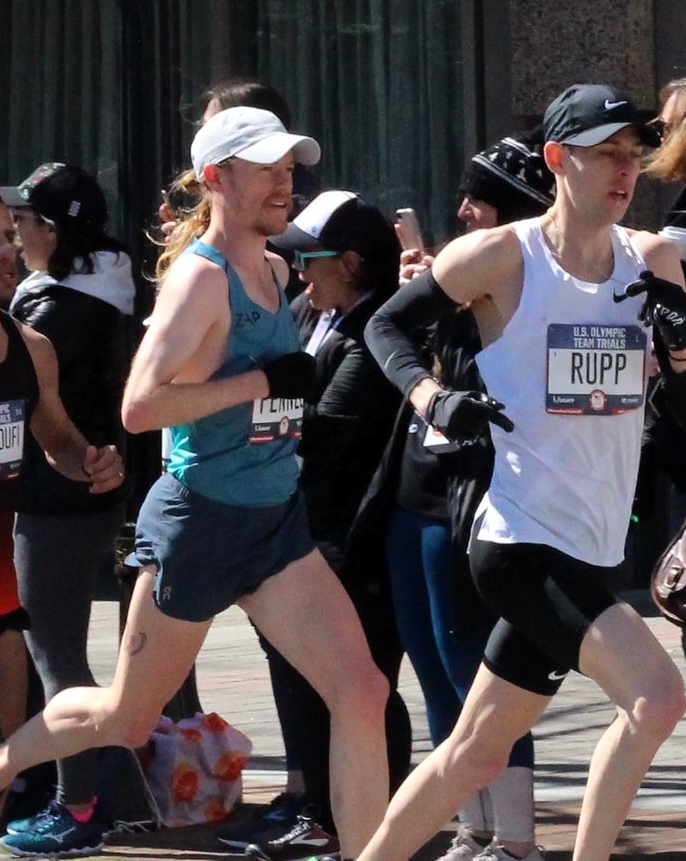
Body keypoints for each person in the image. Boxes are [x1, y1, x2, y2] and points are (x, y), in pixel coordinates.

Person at [0, 107, 390, 861]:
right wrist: (258, 381)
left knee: (363, 690)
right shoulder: (201, 283)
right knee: (126, 715)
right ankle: (9, 759)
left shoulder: (276, 270)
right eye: (268, 168)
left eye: (289, 168)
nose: (285, 181)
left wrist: (283, 388)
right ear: (218, 179)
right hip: (199, 523)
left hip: (275, 524)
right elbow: (141, 407)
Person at [354, 83, 686, 861]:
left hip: (597, 545)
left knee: (474, 751)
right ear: (556, 160)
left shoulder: (657, 258)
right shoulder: (502, 258)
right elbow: (385, 324)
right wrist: (436, 397)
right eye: (605, 153)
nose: (624, 169)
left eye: (634, 154)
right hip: (518, 539)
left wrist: (679, 352)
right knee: (658, 695)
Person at [360, 135, 554, 861]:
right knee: (433, 661)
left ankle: (516, 838)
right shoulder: (449, 279)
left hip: (474, 502)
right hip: (412, 497)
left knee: (485, 673)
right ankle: (471, 826)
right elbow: (392, 333)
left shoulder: (525, 281)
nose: (465, 208)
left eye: (481, 198)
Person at [241, 191, 411, 861]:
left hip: (352, 543)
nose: (299, 273)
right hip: (307, 533)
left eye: (309, 260)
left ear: (350, 262)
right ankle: (324, 809)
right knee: (309, 682)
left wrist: (245, 406)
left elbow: (329, 432)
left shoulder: (375, 330)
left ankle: (359, 822)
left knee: (361, 687)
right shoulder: (321, 315)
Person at [0, 163, 134, 856]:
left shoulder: (51, 315)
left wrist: (88, 459)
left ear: (50, 231)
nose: (13, 240)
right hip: (69, 497)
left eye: (18, 225)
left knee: (57, 657)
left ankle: (75, 803)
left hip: (56, 504)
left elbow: (50, 427)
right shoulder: (80, 294)